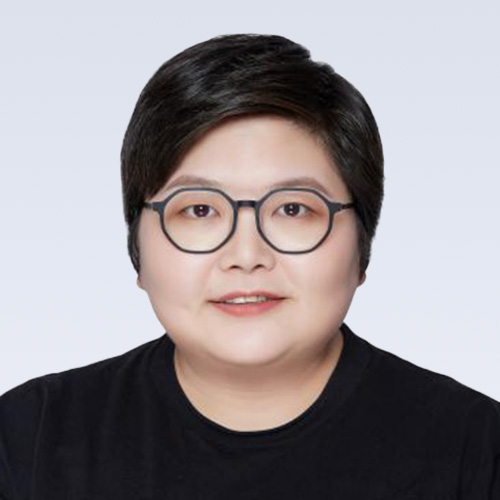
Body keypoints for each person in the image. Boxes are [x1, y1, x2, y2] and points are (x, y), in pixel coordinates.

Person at [1, 33, 499, 499]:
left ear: (361, 246)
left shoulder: (476, 450)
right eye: (199, 210)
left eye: (293, 209)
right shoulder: (30, 437)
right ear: (138, 248)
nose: (245, 255)